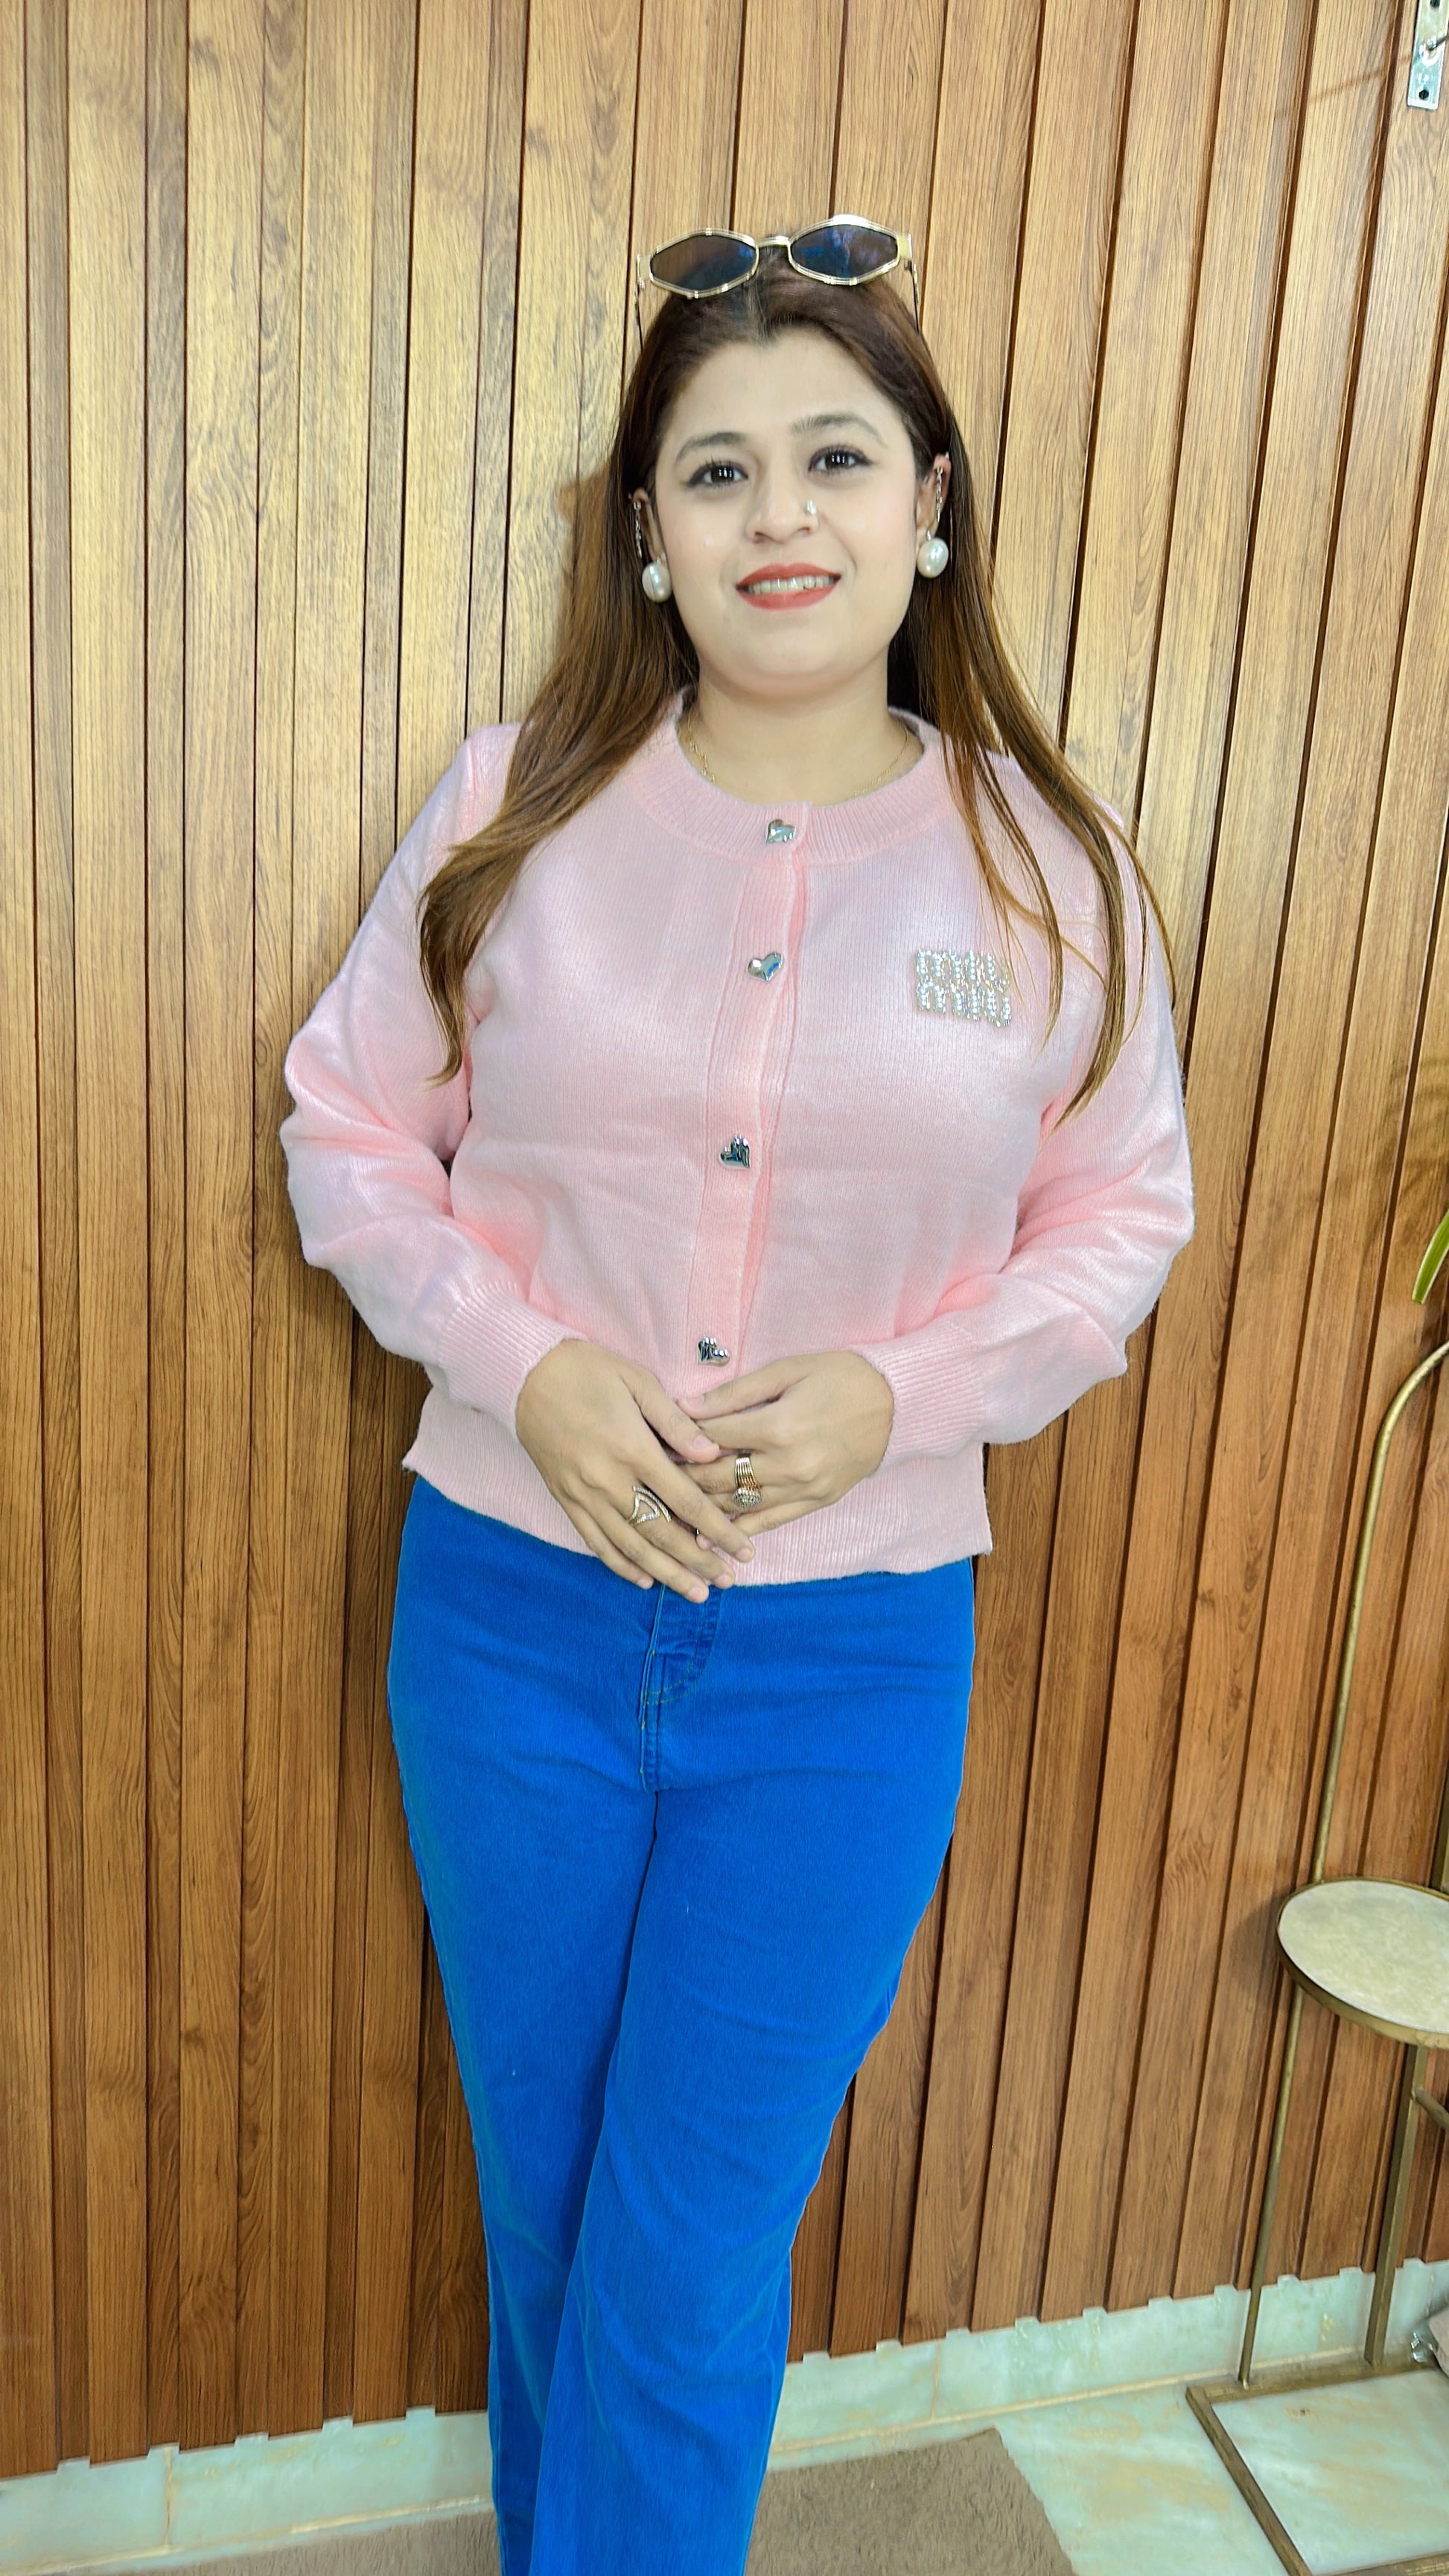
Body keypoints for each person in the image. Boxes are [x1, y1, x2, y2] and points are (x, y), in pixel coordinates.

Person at [278, 220, 1194, 2576]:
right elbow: (348, 1128)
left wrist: (905, 1391)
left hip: (845, 1657)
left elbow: (1120, 1215)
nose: (779, 514)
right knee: (556, 2208)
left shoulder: (1049, 866)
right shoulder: (514, 810)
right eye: (715, 470)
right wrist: (532, 1367)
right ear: (647, 534)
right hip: (509, 1619)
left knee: (685, 2249)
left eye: (834, 456)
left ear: (930, 502)